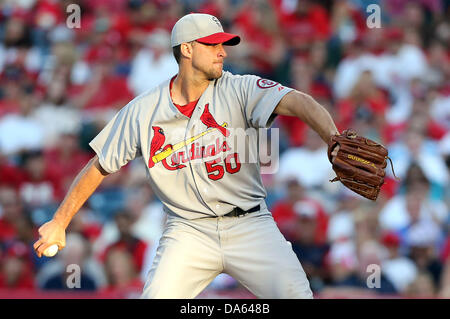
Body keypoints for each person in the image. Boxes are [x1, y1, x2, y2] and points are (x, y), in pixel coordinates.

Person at [33, 13, 340, 299]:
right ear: (188, 50)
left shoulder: (240, 88)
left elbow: (298, 101)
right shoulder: (143, 110)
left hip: (251, 225)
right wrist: (60, 221)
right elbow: (98, 166)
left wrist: (333, 138)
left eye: (224, 45)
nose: (223, 52)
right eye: (213, 45)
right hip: (188, 230)